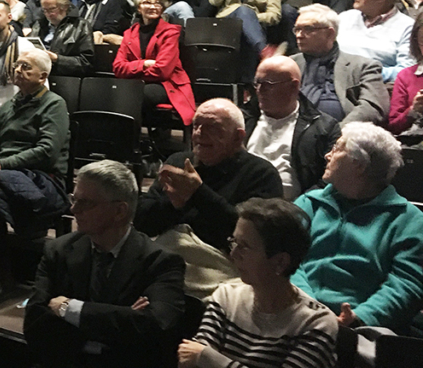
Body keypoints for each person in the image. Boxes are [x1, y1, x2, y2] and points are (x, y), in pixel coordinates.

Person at [25, 160, 186, 368]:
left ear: (119, 211)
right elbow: (35, 325)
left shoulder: (161, 262)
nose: (73, 209)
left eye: (85, 203)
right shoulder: (59, 250)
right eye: (74, 199)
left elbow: (155, 329)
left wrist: (69, 308)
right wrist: (123, 318)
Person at [134, 99, 283, 298]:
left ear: (238, 137)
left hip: (220, 268)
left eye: (213, 128)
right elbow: (141, 221)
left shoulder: (261, 174)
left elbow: (250, 238)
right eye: (196, 125)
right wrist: (173, 205)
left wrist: (198, 193)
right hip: (167, 257)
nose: (199, 134)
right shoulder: (178, 162)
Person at [291, 123, 423, 334]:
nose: (327, 155)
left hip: (362, 329)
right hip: (295, 313)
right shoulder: (308, 203)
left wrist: (361, 318)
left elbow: (408, 284)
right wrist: (308, 307)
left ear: (359, 164)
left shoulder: (409, 220)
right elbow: (283, 256)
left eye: (337, 149)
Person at [179, 198, 338, 368]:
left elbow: (200, 355)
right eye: (234, 242)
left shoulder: (316, 323)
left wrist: (208, 357)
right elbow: (190, 362)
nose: (233, 254)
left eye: (244, 246)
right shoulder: (226, 296)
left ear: (280, 262)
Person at [0, 50, 69, 303]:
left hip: (42, 178)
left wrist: (0, 163)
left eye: (26, 67)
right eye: (17, 65)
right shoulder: (10, 104)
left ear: (42, 77)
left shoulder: (54, 104)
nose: (18, 69)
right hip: (4, 171)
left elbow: (47, 152)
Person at [242, 56, 341, 200]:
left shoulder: (324, 127)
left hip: (293, 211)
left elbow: (328, 180)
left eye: (269, 84)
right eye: (258, 83)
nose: (259, 90)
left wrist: (301, 206)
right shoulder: (241, 119)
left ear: (294, 86)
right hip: (241, 207)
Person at [291, 4, 388, 125]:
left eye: (308, 29)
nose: (299, 35)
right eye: (297, 29)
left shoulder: (363, 66)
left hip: (345, 135)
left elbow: (373, 106)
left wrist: (339, 133)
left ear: (330, 34)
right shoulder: (288, 65)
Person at [112, 0, 197, 126]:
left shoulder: (170, 32)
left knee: (134, 94)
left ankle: (132, 141)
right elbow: (117, 68)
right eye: (147, 2)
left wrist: (133, 71)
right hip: (139, 83)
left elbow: (162, 71)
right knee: (111, 91)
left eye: (157, 3)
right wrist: (144, 64)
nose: (153, 6)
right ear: (139, 8)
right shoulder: (129, 33)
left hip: (167, 85)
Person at [337, 0, 414, 83]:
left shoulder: (408, 27)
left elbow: (407, 71)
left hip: (375, 88)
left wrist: (364, 73)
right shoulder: (344, 18)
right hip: (332, 84)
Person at [34, 0, 96, 76]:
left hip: (63, 78)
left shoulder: (80, 26)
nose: (48, 14)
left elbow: (86, 63)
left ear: (65, 7)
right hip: (37, 76)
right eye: (45, 10)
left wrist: (57, 59)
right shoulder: (39, 24)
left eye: (52, 9)